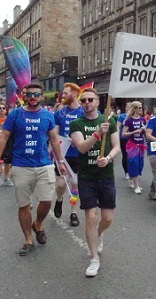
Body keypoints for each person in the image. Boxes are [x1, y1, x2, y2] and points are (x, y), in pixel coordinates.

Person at [0, 83, 67, 256]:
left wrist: (60, 161)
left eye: (36, 94)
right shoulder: (15, 114)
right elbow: (3, 136)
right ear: (24, 96)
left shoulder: (48, 116)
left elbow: (54, 140)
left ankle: (38, 224)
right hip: (20, 166)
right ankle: (28, 239)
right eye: (29, 94)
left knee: (47, 200)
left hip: (44, 164)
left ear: (41, 97)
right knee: (24, 205)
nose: (33, 97)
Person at [70, 87, 120, 277]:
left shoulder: (110, 120)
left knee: (107, 218)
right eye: (83, 101)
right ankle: (94, 259)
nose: (87, 103)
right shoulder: (76, 123)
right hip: (87, 177)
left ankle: (99, 233)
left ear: (98, 102)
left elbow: (116, 147)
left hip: (106, 175)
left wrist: (107, 158)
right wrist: (98, 134)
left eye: (91, 100)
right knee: (90, 216)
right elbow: (82, 147)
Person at [53, 83, 84, 227]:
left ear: (74, 94)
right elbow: (54, 135)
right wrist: (50, 151)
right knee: (60, 184)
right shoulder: (59, 113)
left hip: (78, 154)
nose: (62, 96)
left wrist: (79, 141)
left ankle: (73, 212)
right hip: (62, 154)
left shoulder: (84, 112)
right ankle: (59, 199)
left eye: (65, 93)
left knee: (75, 185)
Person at [122, 101, 147, 194]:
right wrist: (134, 132)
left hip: (141, 144)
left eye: (141, 108)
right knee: (134, 163)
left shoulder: (143, 119)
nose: (141, 109)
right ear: (135, 109)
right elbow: (123, 134)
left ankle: (131, 177)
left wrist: (144, 130)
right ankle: (137, 186)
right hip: (132, 144)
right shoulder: (129, 120)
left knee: (140, 165)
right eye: (139, 108)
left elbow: (145, 133)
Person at [117, 102, 131, 182]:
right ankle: (126, 172)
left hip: (132, 138)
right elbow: (118, 127)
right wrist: (117, 138)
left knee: (133, 156)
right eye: (127, 106)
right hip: (123, 138)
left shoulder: (134, 116)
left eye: (130, 107)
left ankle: (132, 172)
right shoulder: (122, 116)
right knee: (125, 155)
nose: (128, 108)